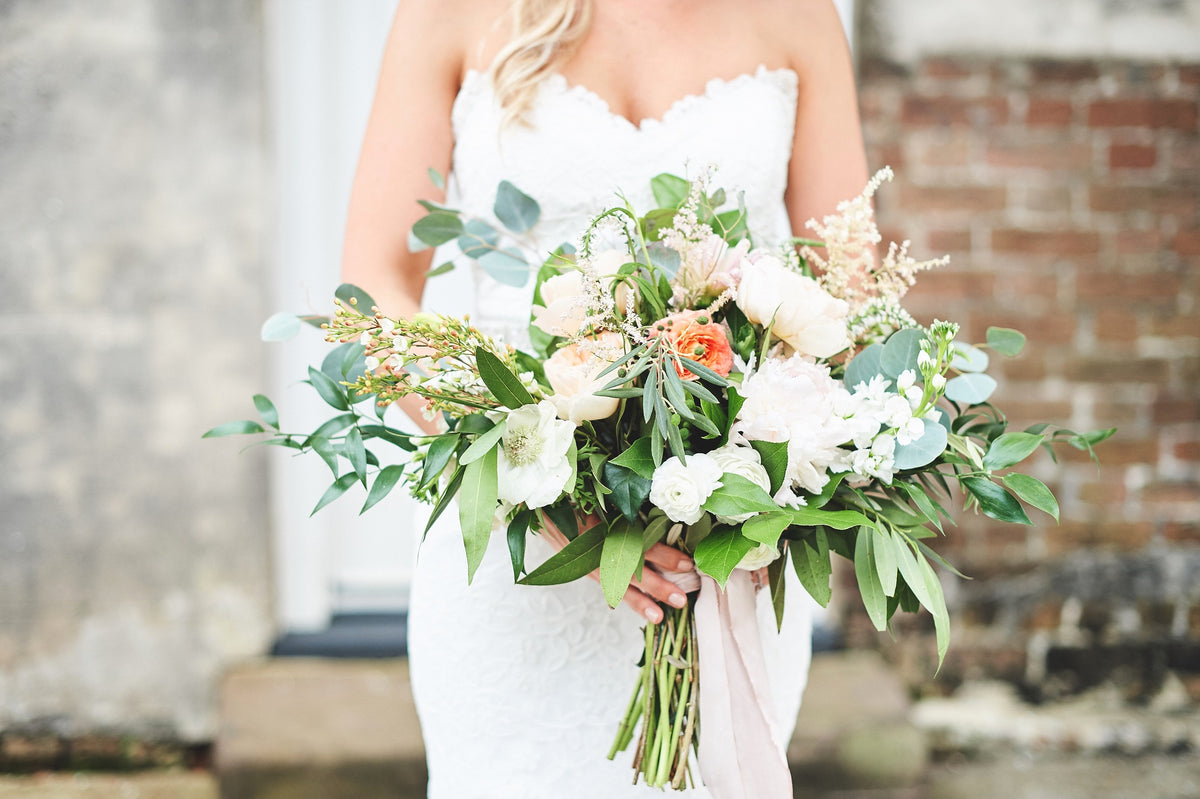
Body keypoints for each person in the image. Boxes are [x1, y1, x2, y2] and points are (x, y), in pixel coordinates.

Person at [341, 1, 869, 796]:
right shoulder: (447, 12)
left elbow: (847, 293)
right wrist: (531, 478)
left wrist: (764, 464)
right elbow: (371, 291)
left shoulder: (798, 14)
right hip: (512, 564)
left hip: (717, 559)